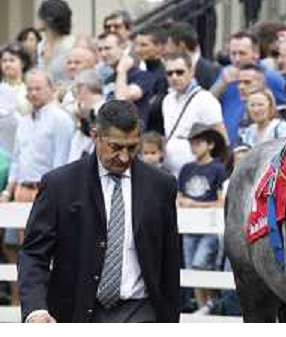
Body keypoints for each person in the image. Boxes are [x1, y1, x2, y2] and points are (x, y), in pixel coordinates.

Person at [18, 100, 180, 323]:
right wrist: (36, 310)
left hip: (142, 311)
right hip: (76, 311)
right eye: (115, 147)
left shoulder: (161, 185)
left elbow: (169, 259)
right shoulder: (60, 185)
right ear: (96, 136)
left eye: (132, 147)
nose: (124, 157)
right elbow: (34, 254)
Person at [1, 70, 75, 304]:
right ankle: (19, 301)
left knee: (43, 250)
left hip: (45, 191)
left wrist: (53, 195)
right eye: (29, 89)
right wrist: (7, 191)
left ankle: (45, 303)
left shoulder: (61, 119)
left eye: (38, 88)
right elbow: (16, 159)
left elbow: (62, 161)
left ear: (52, 89)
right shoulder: (23, 121)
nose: (32, 93)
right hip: (21, 191)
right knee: (16, 247)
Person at [178, 123, 227, 312]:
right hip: (189, 226)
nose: (194, 147)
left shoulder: (218, 169)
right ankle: (204, 307)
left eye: (198, 143)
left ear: (210, 145)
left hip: (210, 225)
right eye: (192, 143)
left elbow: (222, 200)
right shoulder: (186, 169)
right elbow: (179, 195)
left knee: (201, 263)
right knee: (192, 269)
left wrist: (195, 204)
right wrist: (184, 202)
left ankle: (210, 303)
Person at [211, 30, 286, 144]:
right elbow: (208, 103)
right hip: (229, 146)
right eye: (233, 53)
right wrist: (222, 83)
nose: (237, 59)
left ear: (256, 53)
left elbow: (283, 108)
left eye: (242, 53)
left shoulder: (270, 77)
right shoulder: (225, 73)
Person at [161, 52, 226, 178]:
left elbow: (221, 137)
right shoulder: (167, 100)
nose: (174, 77)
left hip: (197, 173)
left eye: (179, 72)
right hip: (170, 172)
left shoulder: (205, 99)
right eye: (169, 73)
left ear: (191, 72)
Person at [96, 31, 156, 128]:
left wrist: (122, 70)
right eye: (100, 50)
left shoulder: (143, 76)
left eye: (108, 48)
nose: (103, 54)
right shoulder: (108, 80)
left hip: (132, 138)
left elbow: (121, 100)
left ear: (123, 47)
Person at [164, 20, 221, 90]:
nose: (167, 50)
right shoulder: (170, 67)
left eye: (170, 45)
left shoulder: (210, 71)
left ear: (182, 46)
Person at [35, 0, 75, 87]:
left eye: (40, 16)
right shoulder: (40, 46)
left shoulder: (71, 45)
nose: (37, 20)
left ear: (49, 19)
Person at [68, 69, 105, 162]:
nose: (74, 95)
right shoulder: (83, 113)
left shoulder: (105, 111)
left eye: (76, 89)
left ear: (83, 88)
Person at [0, 43, 31, 115]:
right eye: (4, 61)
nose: (7, 64)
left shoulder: (30, 87)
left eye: (12, 60)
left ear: (23, 63)